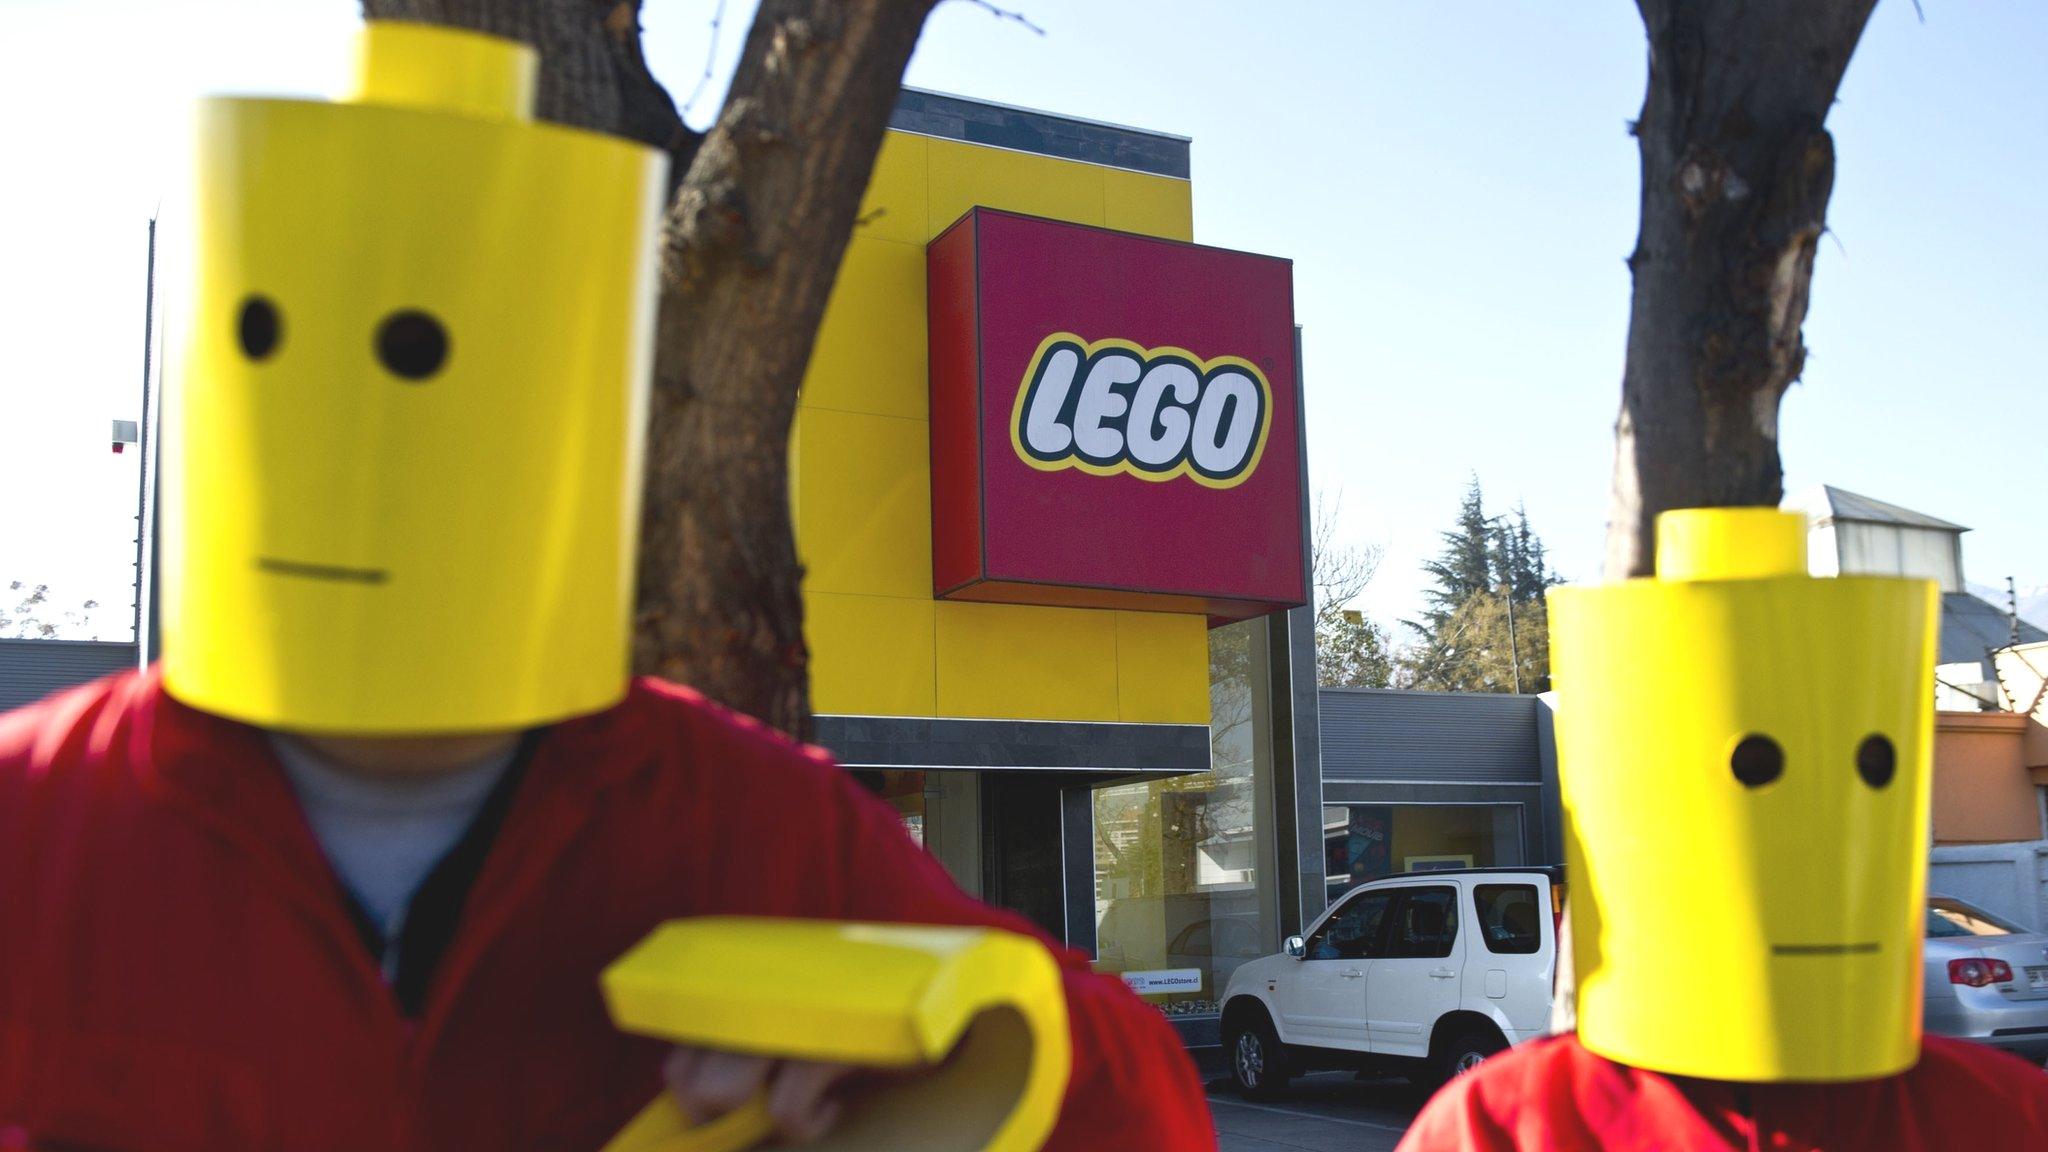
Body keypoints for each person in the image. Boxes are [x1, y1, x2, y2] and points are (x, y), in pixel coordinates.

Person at [0, 22, 1211, 1152]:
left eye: (430, 364)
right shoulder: (34, 820)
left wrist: (965, 1047)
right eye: (269, 344)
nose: (351, 445)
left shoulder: (750, 827)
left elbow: (1145, 1112)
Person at [1398, 509, 2048, 1151]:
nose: (1804, 860)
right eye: (1754, 770)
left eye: (1873, 766)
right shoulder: (1503, 1125)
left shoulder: (2006, 1112)